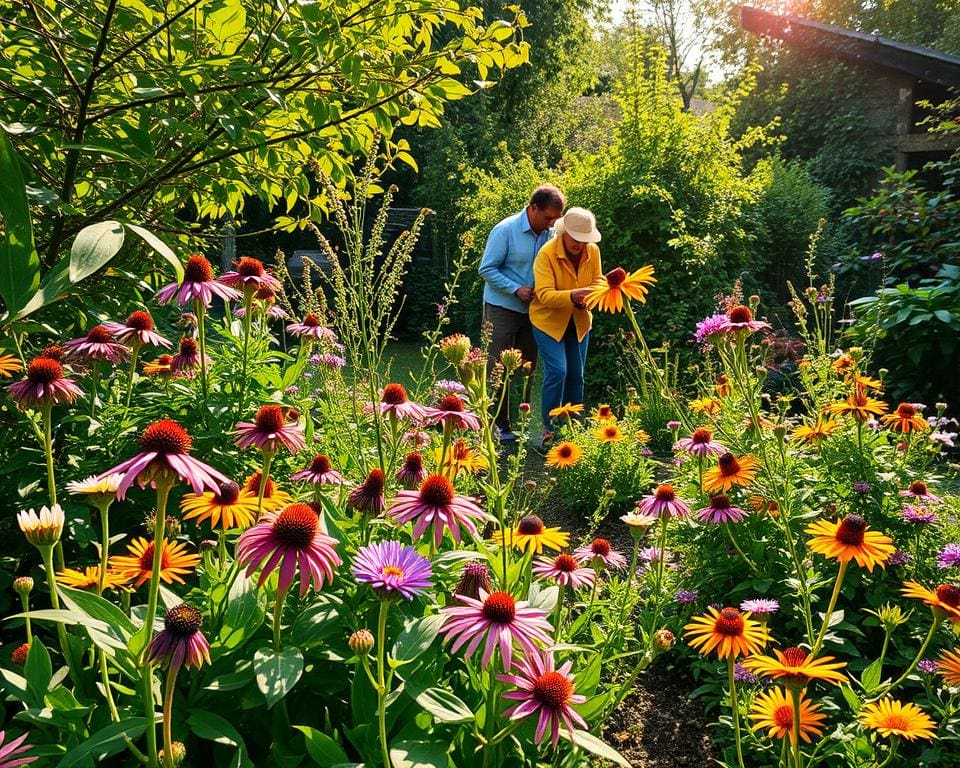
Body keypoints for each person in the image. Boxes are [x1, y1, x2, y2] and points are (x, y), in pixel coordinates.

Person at [478, 184, 566, 443]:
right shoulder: (505, 230)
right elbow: (486, 268)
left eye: (556, 219)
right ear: (533, 208)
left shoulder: (551, 234)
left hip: (536, 311)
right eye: (548, 217)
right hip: (502, 307)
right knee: (497, 368)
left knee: (527, 367)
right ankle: (495, 426)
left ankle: (520, 424)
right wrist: (516, 288)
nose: (552, 223)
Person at [529, 207, 602, 448]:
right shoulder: (547, 253)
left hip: (579, 321)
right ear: (563, 233)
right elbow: (543, 294)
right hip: (547, 321)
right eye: (575, 238)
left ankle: (573, 430)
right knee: (558, 371)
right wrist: (572, 296)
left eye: (584, 240)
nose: (580, 244)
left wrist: (590, 298)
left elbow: (597, 282)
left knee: (576, 376)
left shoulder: (593, 251)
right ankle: (549, 432)